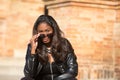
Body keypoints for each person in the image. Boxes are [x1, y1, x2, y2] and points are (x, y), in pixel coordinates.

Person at [21, 15, 78, 80]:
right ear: (37, 32)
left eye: (47, 30)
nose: (45, 34)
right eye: (41, 31)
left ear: (54, 30)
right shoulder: (32, 46)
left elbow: (73, 70)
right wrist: (33, 51)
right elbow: (29, 74)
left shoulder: (64, 44)